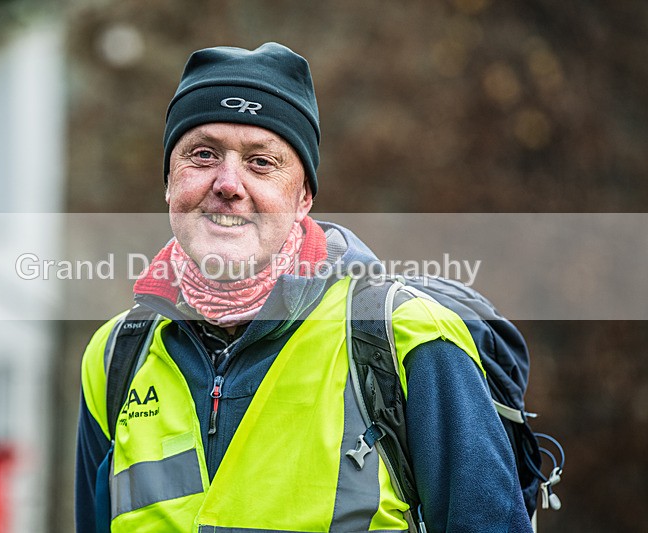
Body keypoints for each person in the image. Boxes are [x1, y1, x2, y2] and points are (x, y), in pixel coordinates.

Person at [75, 42, 532, 532]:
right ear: (169, 181)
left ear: (303, 197)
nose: (228, 183)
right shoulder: (115, 357)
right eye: (203, 155)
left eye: (261, 162)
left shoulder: (408, 339)